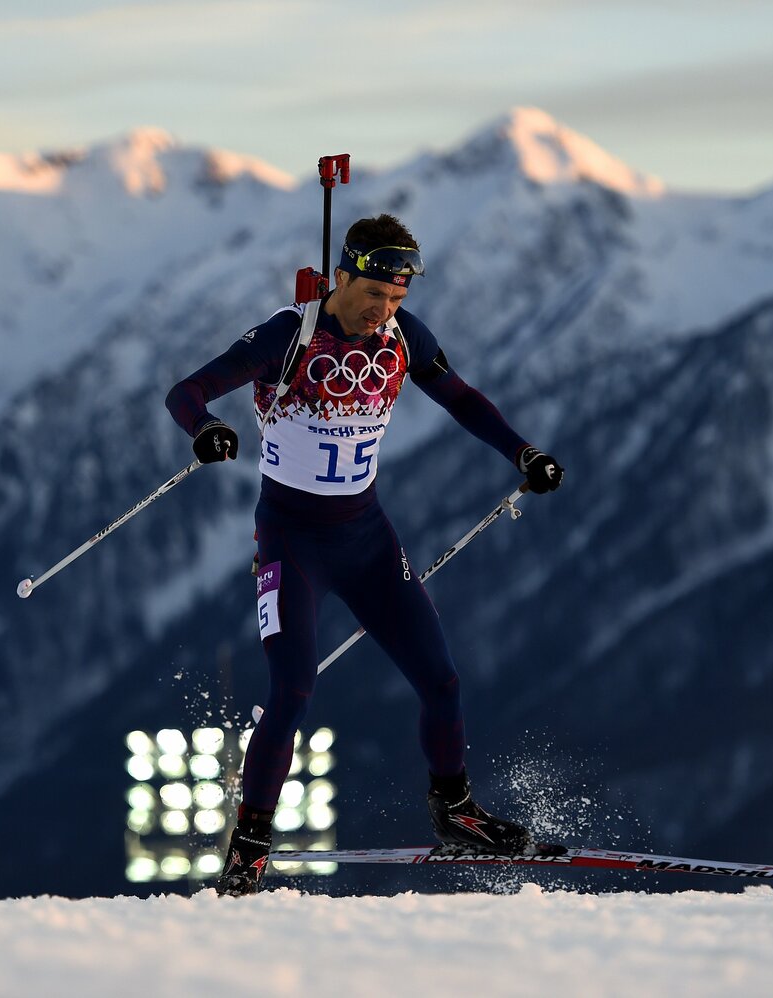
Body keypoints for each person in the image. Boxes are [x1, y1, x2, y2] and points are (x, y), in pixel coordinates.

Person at [164, 214, 564, 896]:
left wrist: (523, 452)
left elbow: (460, 397)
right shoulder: (288, 335)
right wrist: (204, 429)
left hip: (369, 539)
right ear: (342, 275)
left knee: (441, 680)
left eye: (397, 298)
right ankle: (249, 849)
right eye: (374, 293)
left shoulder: (403, 337)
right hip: (292, 542)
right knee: (291, 690)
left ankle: (456, 814)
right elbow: (187, 391)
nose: (384, 310)